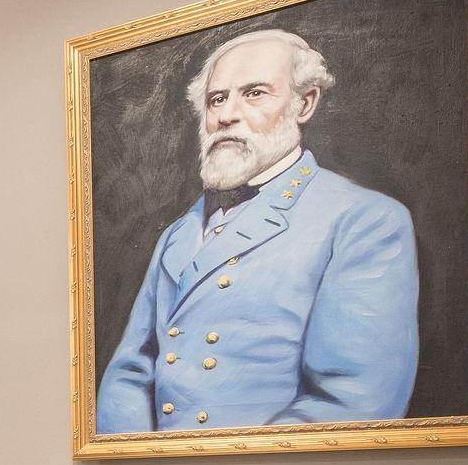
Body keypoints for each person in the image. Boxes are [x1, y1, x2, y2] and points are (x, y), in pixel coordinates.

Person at [96, 29, 419, 433]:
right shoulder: (177, 235)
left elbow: (355, 399)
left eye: (254, 93)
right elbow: (130, 372)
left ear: (305, 103)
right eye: (217, 99)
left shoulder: (364, 220)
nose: (227, 115)